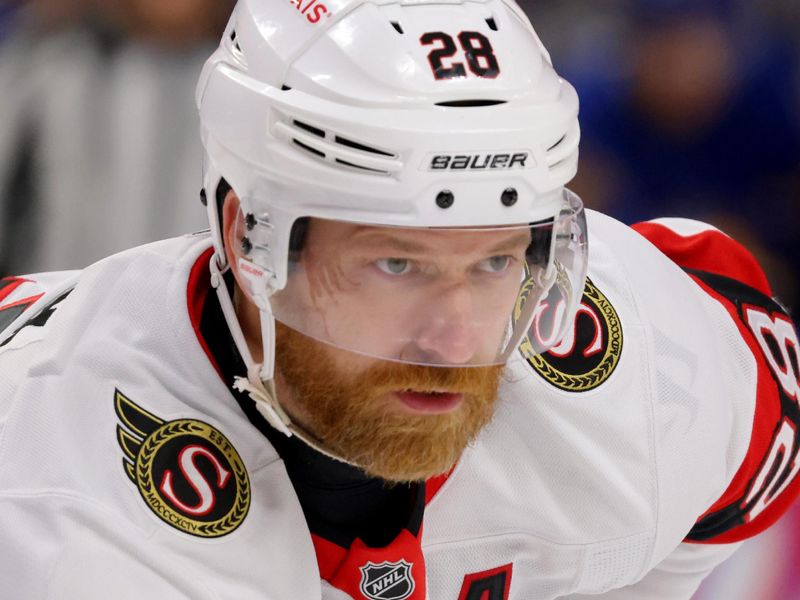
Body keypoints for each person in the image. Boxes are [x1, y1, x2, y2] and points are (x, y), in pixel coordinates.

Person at [0, 0, 798, 598]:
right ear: (249, 240)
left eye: (494, 263)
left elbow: (759, 442)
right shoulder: (42, 481)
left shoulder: (639, 370)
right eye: (396, 265)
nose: (453, 343)